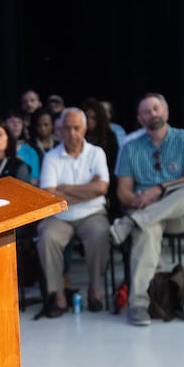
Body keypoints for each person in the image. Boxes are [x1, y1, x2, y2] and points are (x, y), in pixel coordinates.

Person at [109, 93, 184, 326]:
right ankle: (139, 304)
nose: (152, 114)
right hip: (147, 213)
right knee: (147, 230)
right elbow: (123, 191)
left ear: (166, 112)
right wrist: (138, 201)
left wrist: (159, 189)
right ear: (139, 118)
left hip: (181, 213)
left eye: (156, 108)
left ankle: (132, 222)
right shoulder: (130, 146)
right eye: (146, 111)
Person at [36, 108, 110, 317]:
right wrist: (88, 189)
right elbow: (49, 195)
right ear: (59, 130)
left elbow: (102, 188)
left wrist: (65, 188)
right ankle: (58, 294)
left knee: (100, 235)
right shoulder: (52, 157)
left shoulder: (96, 153)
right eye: (67, 128)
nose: (72, 133)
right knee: (47, 238)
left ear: (84, 129)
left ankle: (95, 289)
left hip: (92, 214)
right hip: (60, 215)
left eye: (76, 128)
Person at [5, 109, 40, 185]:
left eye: (19, 122)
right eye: (12, 121)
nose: (16, 125)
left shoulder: (30, 152)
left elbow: (35, 180)